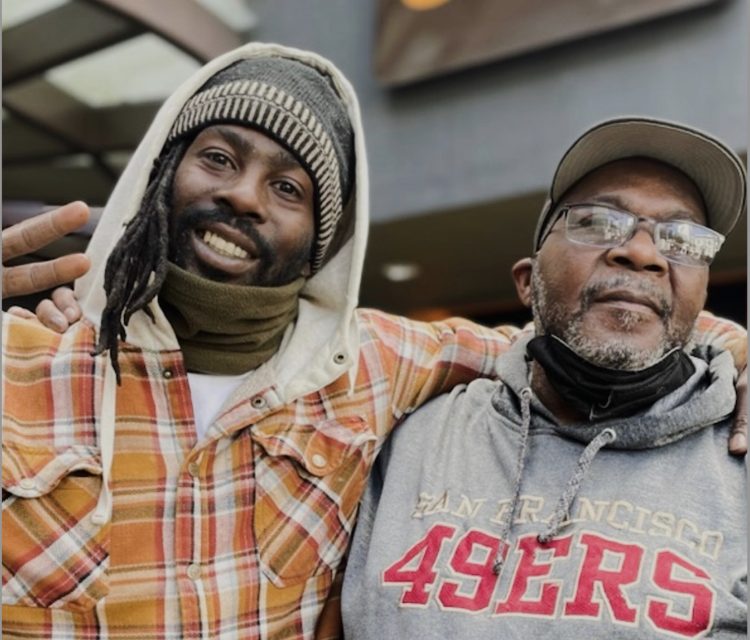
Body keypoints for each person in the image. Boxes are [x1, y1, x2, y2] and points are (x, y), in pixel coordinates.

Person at [1, 45, 745, 637]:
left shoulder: (380, 364)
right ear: (162, 172)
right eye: (219, 158)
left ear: (324, 236)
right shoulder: (23, 362)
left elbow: (598, 326)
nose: (242, 196)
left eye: (289, 187)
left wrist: (731, 353)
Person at [341, 117, 747, 639]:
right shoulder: (413, 440)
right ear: (528, 283)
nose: (643, 254)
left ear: (701, 298)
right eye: (599, 222)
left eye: (683, 239)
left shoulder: (737, 460)